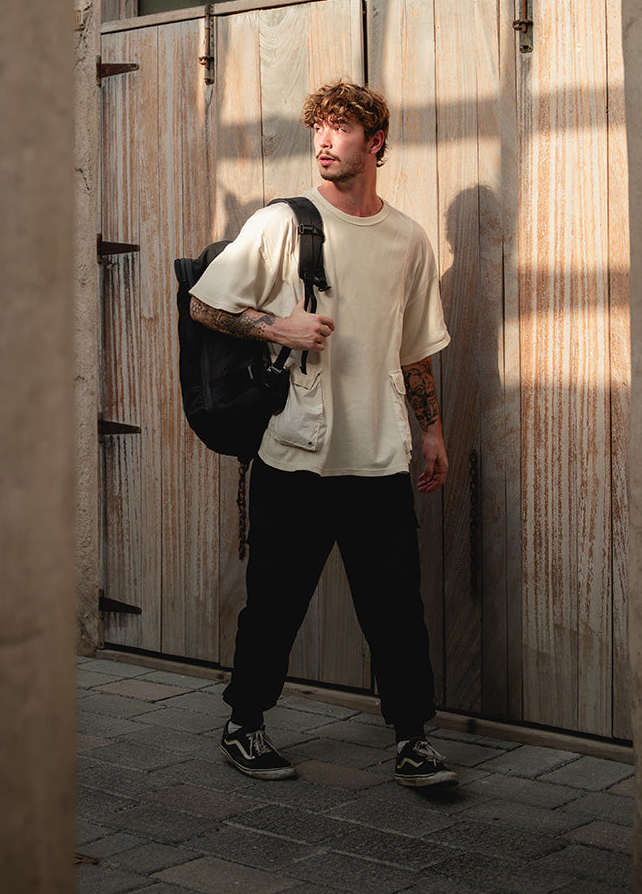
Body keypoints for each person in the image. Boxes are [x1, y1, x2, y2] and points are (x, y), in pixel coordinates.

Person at [189, 80, 458, 788]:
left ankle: (412, 738)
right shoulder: (282, 223)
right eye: (319, 128)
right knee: (274, 603)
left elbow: (415, 346)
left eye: (341, 129)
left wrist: (431, 431)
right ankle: (244, 724)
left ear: (376, 143)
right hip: (295, 453)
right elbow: (206, 303)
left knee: (398, 608)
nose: (324, 141)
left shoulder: (408, 239)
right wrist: (275, 325)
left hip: (377, 457)